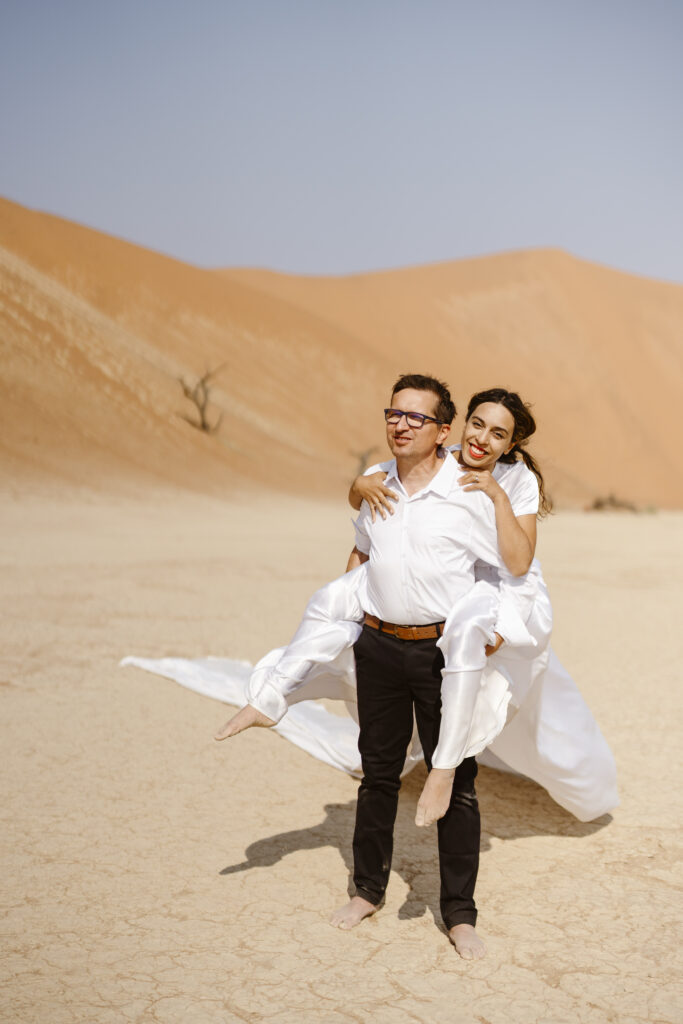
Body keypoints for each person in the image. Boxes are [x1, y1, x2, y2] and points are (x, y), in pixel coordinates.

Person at [217, 375, 545, 960]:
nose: (401, 424)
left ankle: (459, 915)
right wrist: (349, 616)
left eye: (417, 418)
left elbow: (512, 567)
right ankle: (367, 890)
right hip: (378, 647)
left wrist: (492, 624)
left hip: (440, 655)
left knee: (459, 787)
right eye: (395, 413)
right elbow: (362, 553)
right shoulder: (378, 480)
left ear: (442, 431)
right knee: (378, 775)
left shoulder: (471, 488)